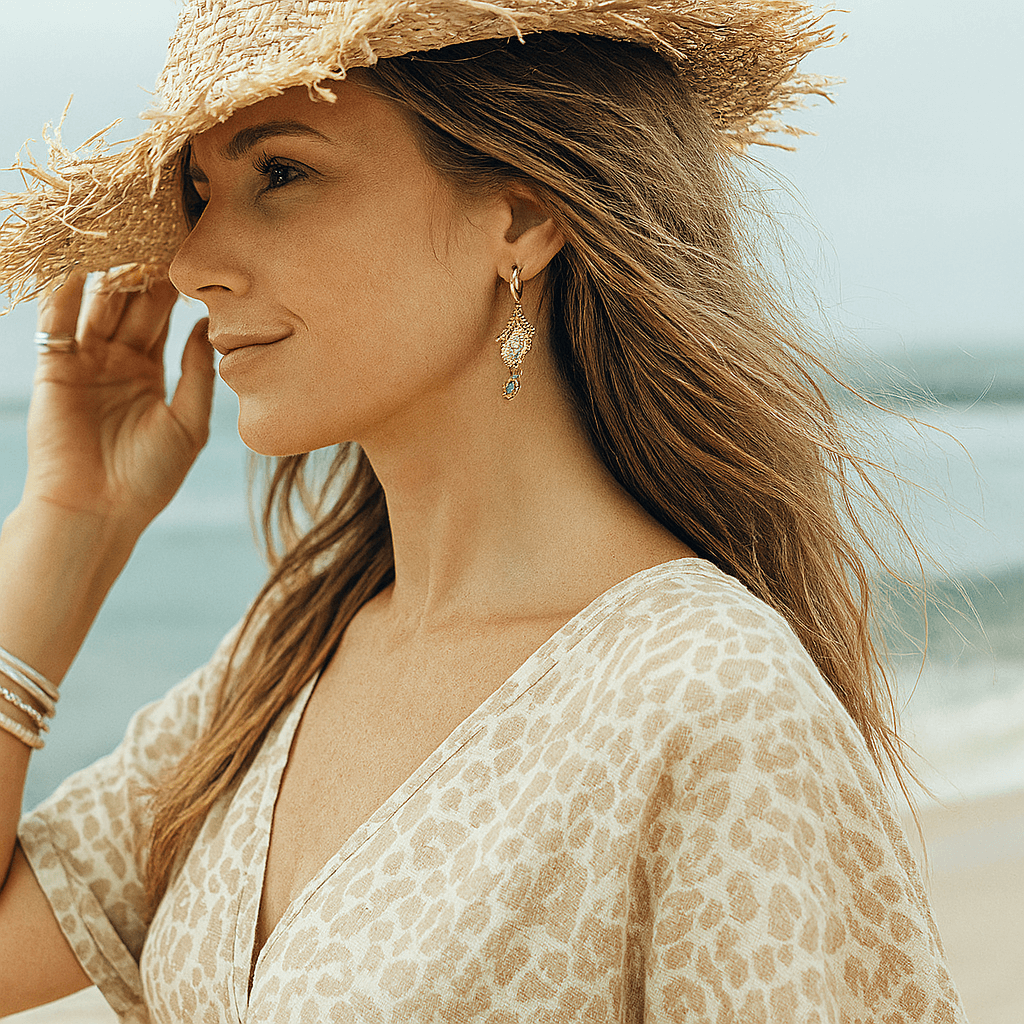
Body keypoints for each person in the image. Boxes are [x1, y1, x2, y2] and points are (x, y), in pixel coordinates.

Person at [0, 1, 967, 1021]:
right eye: (200, 194)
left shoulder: (710, 703)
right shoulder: (283, 665)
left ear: (518, 217)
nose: (195, 262)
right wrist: (73, 519)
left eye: (279, 174)